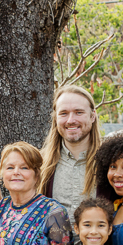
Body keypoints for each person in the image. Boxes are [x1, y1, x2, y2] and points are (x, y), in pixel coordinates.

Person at [38, 84, 102, 221]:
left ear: (92, 116)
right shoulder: (39, 163)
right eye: (64, 113)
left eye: (79, 112)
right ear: (55, 118)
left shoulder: (111, 163)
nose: (71, 120)